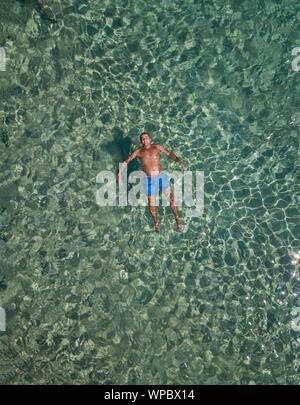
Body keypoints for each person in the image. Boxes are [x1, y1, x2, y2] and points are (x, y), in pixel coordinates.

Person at [117, 132, 186, 233]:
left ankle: (177, 219)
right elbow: (126, 161)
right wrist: (119, 174)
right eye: (142, 138)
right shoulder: (138, 152)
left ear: (150, 139)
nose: (144, 139)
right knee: (151, 204)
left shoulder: (157, 147)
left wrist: (179, 161)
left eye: (146, 137)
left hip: (161, 176)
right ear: (141, 141)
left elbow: (169, 153)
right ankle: (156, 222)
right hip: (149, 180)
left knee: (171, 198)